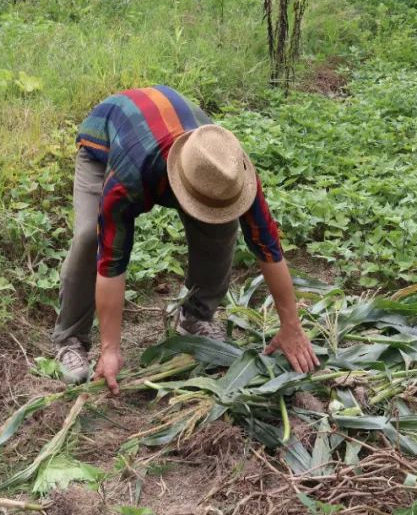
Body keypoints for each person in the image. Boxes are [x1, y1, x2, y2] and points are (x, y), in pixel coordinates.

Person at [53, 85, 320, 393]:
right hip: (105, 144)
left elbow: (269, 249)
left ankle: (194, 316)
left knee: (221, 225)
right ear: (179, 183)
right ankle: (69, 338)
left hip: (172, 139)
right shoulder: (130, 177)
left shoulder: (230, 168)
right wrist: (110, 348)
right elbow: (112, 262)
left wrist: (291, 327)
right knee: (90, 236)